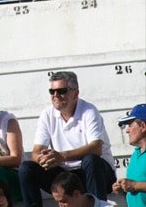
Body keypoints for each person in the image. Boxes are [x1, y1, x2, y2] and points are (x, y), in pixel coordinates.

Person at [18, 72, 116, 207]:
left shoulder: (89, 111)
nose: (55, 96)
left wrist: (61, 156)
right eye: (52, 91)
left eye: (61, 91)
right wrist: (44, 159)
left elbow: (96, 148)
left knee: (91, 160)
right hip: (65, 176)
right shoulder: (47, 114)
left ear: (75, 93)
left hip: (96, 174)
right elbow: (36, 152)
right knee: (26, 168)